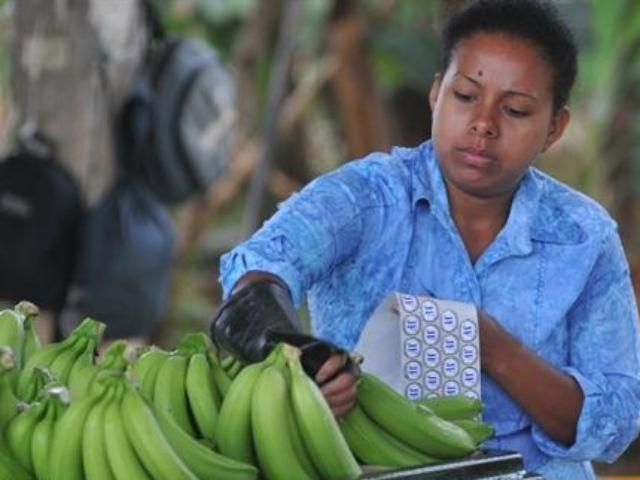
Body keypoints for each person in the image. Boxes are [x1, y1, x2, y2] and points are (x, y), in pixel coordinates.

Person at [211, 0, 640, 478]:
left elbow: (616, 421)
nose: (484, 124)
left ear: (554, 129)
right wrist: (299, 361)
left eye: (515, 110)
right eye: (465, 96)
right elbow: (259, 270)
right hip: (369, 468)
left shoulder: (584, 236)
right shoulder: (364, 199)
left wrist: (491, 346)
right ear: (436, 94)